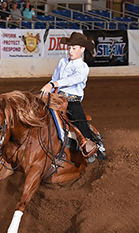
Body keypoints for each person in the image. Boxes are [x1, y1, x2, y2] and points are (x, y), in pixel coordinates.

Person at [40, 32, 106, 161]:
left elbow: (74, 79)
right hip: (57, 97)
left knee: (78, 119)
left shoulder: (83, 67)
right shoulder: (62, 62)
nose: (70, 51)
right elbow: (54, 78)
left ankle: (93, 146)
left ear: (82, 49)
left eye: (74, 48)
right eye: (69, 48)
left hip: (72, 99)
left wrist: (54, 83)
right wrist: (48, 87)